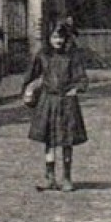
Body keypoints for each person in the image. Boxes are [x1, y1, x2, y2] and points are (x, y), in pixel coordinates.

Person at [26, 26, 89, 191]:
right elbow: (32, 76)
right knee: (49, 140)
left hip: (67, 102)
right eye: (54, 37)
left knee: (67, 140)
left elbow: (82, 78)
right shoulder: (42, 55)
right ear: (49, 39)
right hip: (48, 101)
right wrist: (29, 89)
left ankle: (67, 178)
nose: (58, 41)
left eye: (61, 37)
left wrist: (76, 89)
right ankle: (50, 177)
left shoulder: (72, 56)